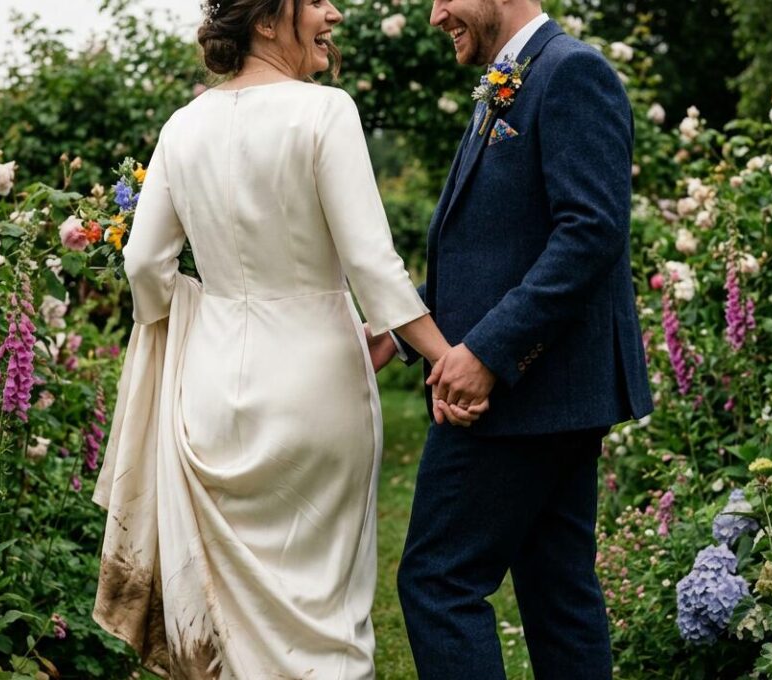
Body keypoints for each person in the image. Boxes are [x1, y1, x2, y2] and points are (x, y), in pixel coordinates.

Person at [89, 0, 483, 676]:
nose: (333, 14)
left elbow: (143, 265)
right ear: (268, 21)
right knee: (324, 608)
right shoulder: (324, 111)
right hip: (316, 385)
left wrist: (194, 314)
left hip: (209, 389)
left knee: (233, 620)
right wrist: (449, 358)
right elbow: (371, 263)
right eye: (317, 1)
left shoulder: (182, 127)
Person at [373, 0, 655, 677]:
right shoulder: (517, 76)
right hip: (548, 394)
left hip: (521, 396)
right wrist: (400, 331)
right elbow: (487, 249)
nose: (436, 15)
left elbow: (589, 232)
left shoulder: (571, 72)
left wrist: (488, 354)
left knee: (439, 582)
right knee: (557, 594)